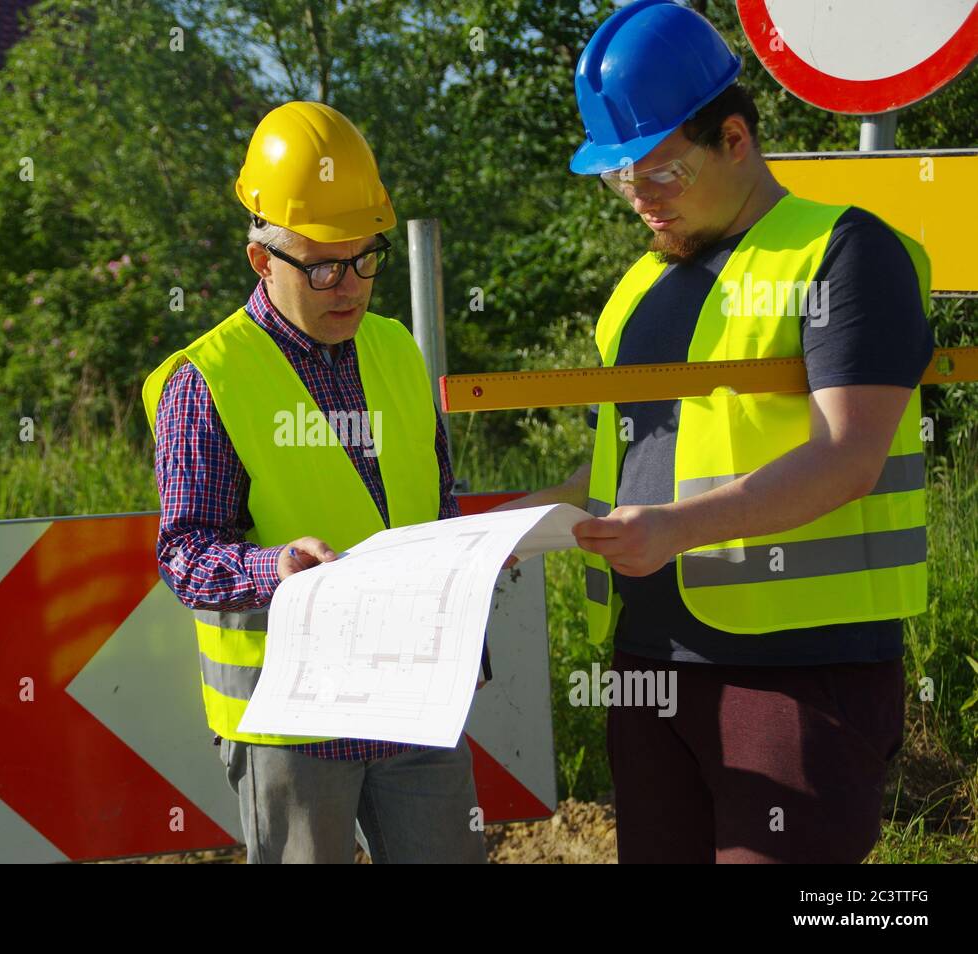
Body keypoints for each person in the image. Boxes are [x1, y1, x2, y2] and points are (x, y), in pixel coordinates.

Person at [494, 0, 933, 863]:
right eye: (622, 183)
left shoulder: (843, 253)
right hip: (652, 666)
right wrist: (495, 526)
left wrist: (675, 531)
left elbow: (846, 456)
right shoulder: (637, 290)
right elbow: (620, 477)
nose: (640, 203)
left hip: (801, 677)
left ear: (735, 138)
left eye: (659, 174)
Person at [141, 101, 486, 864]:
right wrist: (275, 568)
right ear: (262, 260)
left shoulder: (397, 351)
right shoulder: (208, 382)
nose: (350, 285)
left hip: (413, 703)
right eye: (324, 265)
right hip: (291, 723)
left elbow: (434, 505)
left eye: (365, 258)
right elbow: (184, 552)